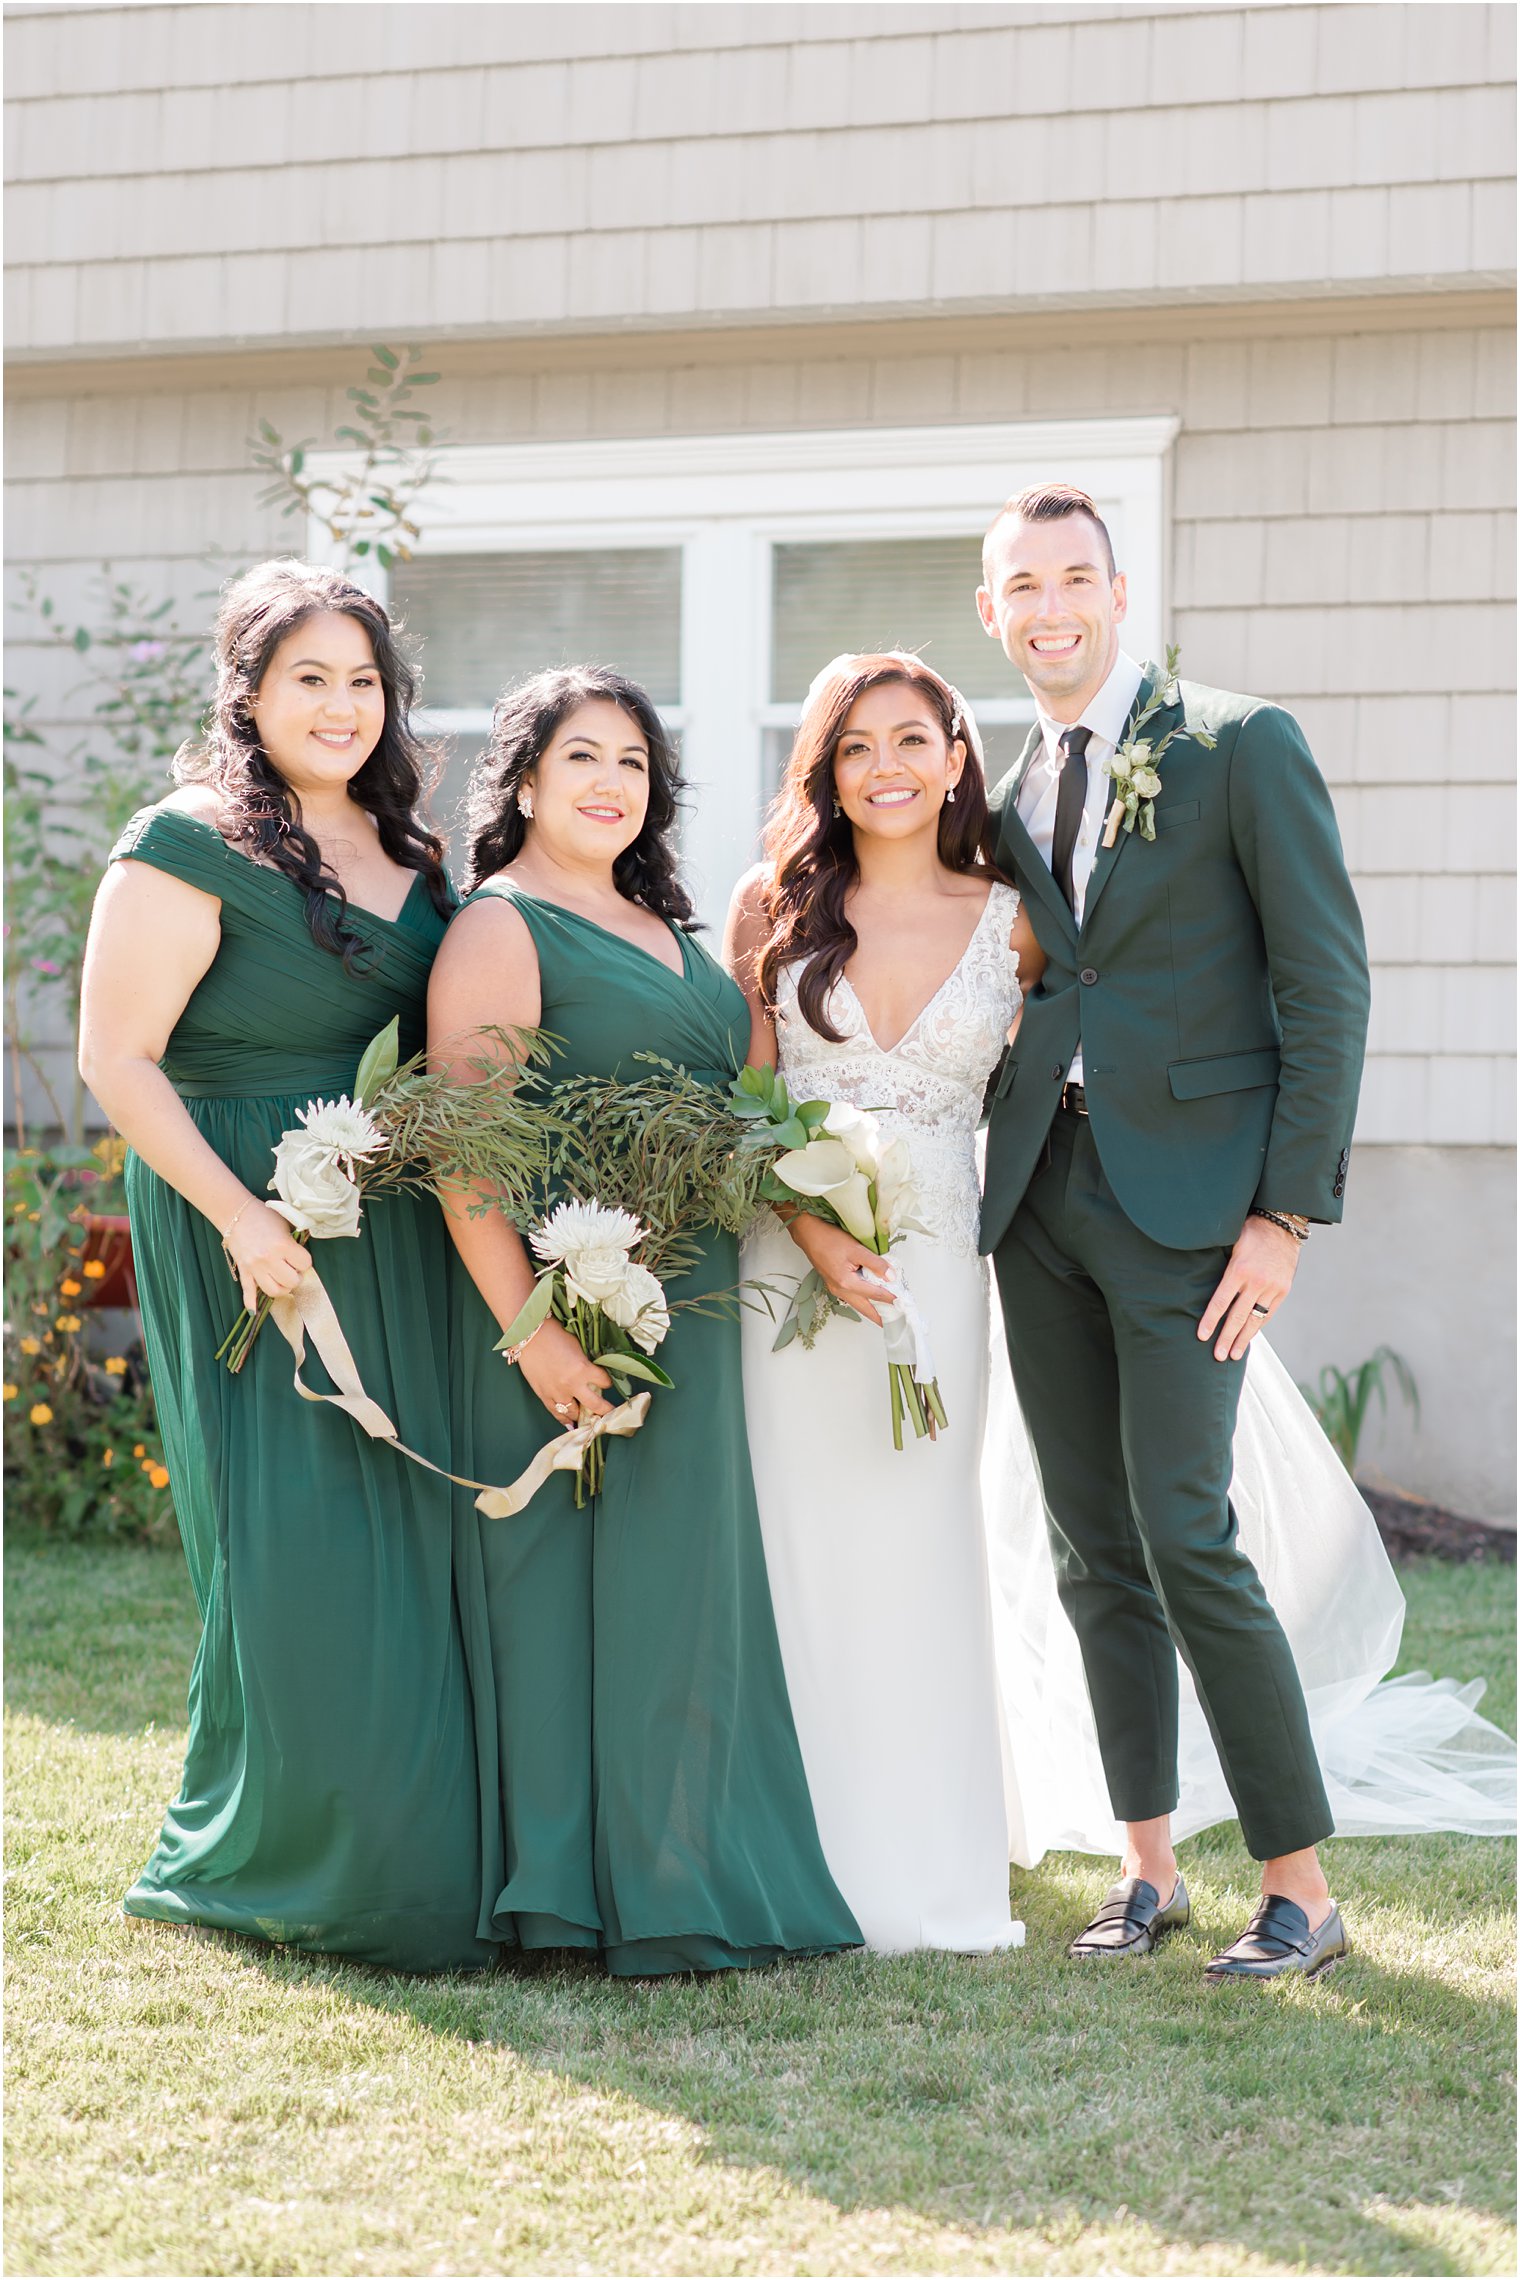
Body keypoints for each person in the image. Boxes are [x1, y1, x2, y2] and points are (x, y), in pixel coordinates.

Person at [977, 480, 1370, 1979]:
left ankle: (1303, 1891)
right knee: (1095, 1547)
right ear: (993, 609)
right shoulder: (1009, 784)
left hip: (1198, 1209)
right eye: (1024, 585)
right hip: (1041, 1199)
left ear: (1120, 592)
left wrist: (1284, 1216)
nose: (1052, 606)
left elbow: (1325, 988)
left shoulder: (1237, 742)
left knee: (1188, 1530)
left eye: (1076, 576)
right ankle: (1149, 1872)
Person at [78, 559, 495, 1972]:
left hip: (395, 1226)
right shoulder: (186, 842)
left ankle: (428, 1832)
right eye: (307, 677)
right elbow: (117, 1061)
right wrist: (242, 1218)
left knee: (411, 1534)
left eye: (362, 680)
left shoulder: (414, 858)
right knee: (300, 1540)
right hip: (244, 1220)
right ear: (249, 692)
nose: (338, 705)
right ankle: (304, 1854)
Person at [428, 665, 861, 1977]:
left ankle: (686, 1874)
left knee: (683, 1601)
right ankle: (567, 1897)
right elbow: (467, 1158)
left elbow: (742, 1117)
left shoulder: (675, 933)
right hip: (558, 1305)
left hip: (691, 1309)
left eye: (631, 762)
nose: (610, 783)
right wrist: (534, 1334)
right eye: (581, 759)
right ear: (524, 781)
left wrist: (830, 1225)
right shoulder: (500, 929)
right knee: (555, 1601)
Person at [727, 654, 1042, 1955]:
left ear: (959, 756)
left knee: (920, 1543)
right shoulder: (773, 905)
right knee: (801, 1543)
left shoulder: (1018, 915)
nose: (888, 767)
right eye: (856, 748)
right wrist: (812, 1226)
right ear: (826, 771)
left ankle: (930, 1861)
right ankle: (798, 1854)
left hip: (943, 1265)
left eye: (914, 740)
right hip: (789, 1264)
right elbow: (748, 1101)